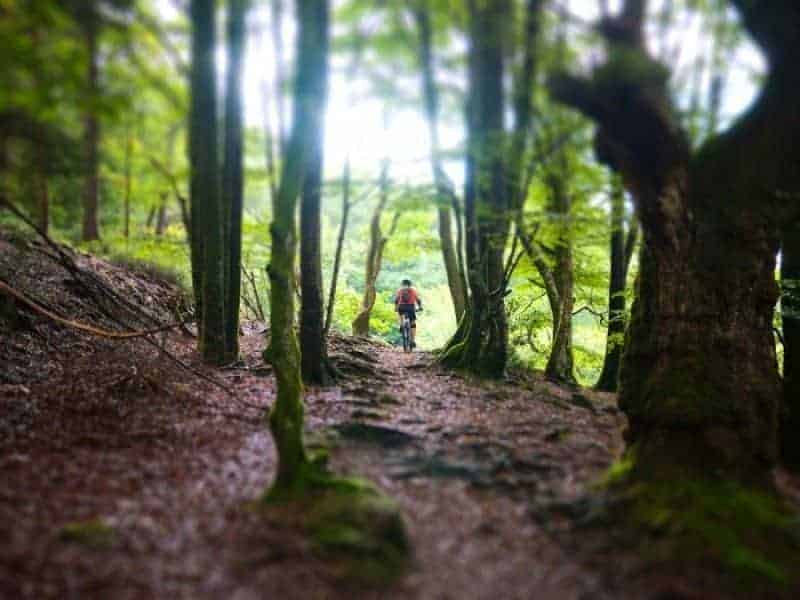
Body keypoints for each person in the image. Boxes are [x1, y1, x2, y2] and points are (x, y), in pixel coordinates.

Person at [394, 278, 423, 348]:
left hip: (401, 307)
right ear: (410, 284)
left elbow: (396, 300)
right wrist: (420, 307)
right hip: (410, 307)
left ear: (402, 284)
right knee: (413, 323)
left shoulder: (400, 290)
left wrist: (396, 307)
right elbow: (418, 300)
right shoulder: (413, 290)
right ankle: (412, 341)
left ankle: (401, 325)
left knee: (401, 315)